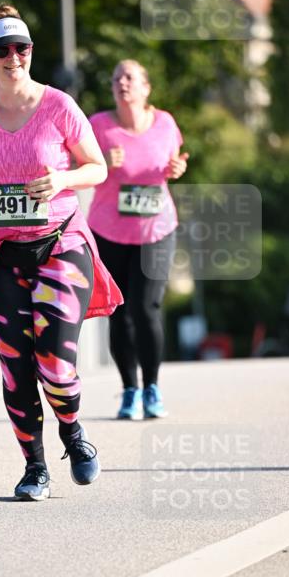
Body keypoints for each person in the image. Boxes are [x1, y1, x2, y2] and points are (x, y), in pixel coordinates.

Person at [0, 3, 122, 501]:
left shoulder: (59, 106)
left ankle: (72, 431)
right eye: (2, 49)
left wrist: (62, 177)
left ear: (30, 52)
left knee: (55, 362)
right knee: (16, 366)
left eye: (21, 47)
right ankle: (35, 467)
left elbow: (98, 169)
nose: (13, 57)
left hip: (59, 241)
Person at [87, 59, 189, 420]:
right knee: (119, 314)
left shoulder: (164, 123)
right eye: (116, 78)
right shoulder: (98, 127)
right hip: (109, 230)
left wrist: (178, 168)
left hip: (156, 230)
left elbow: (174, 162)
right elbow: (78, 172)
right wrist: (102, 164)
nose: (122, 83)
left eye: (130, 77)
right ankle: (129, 390)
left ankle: (152, 388)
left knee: (146, 309)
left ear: (146, 88)